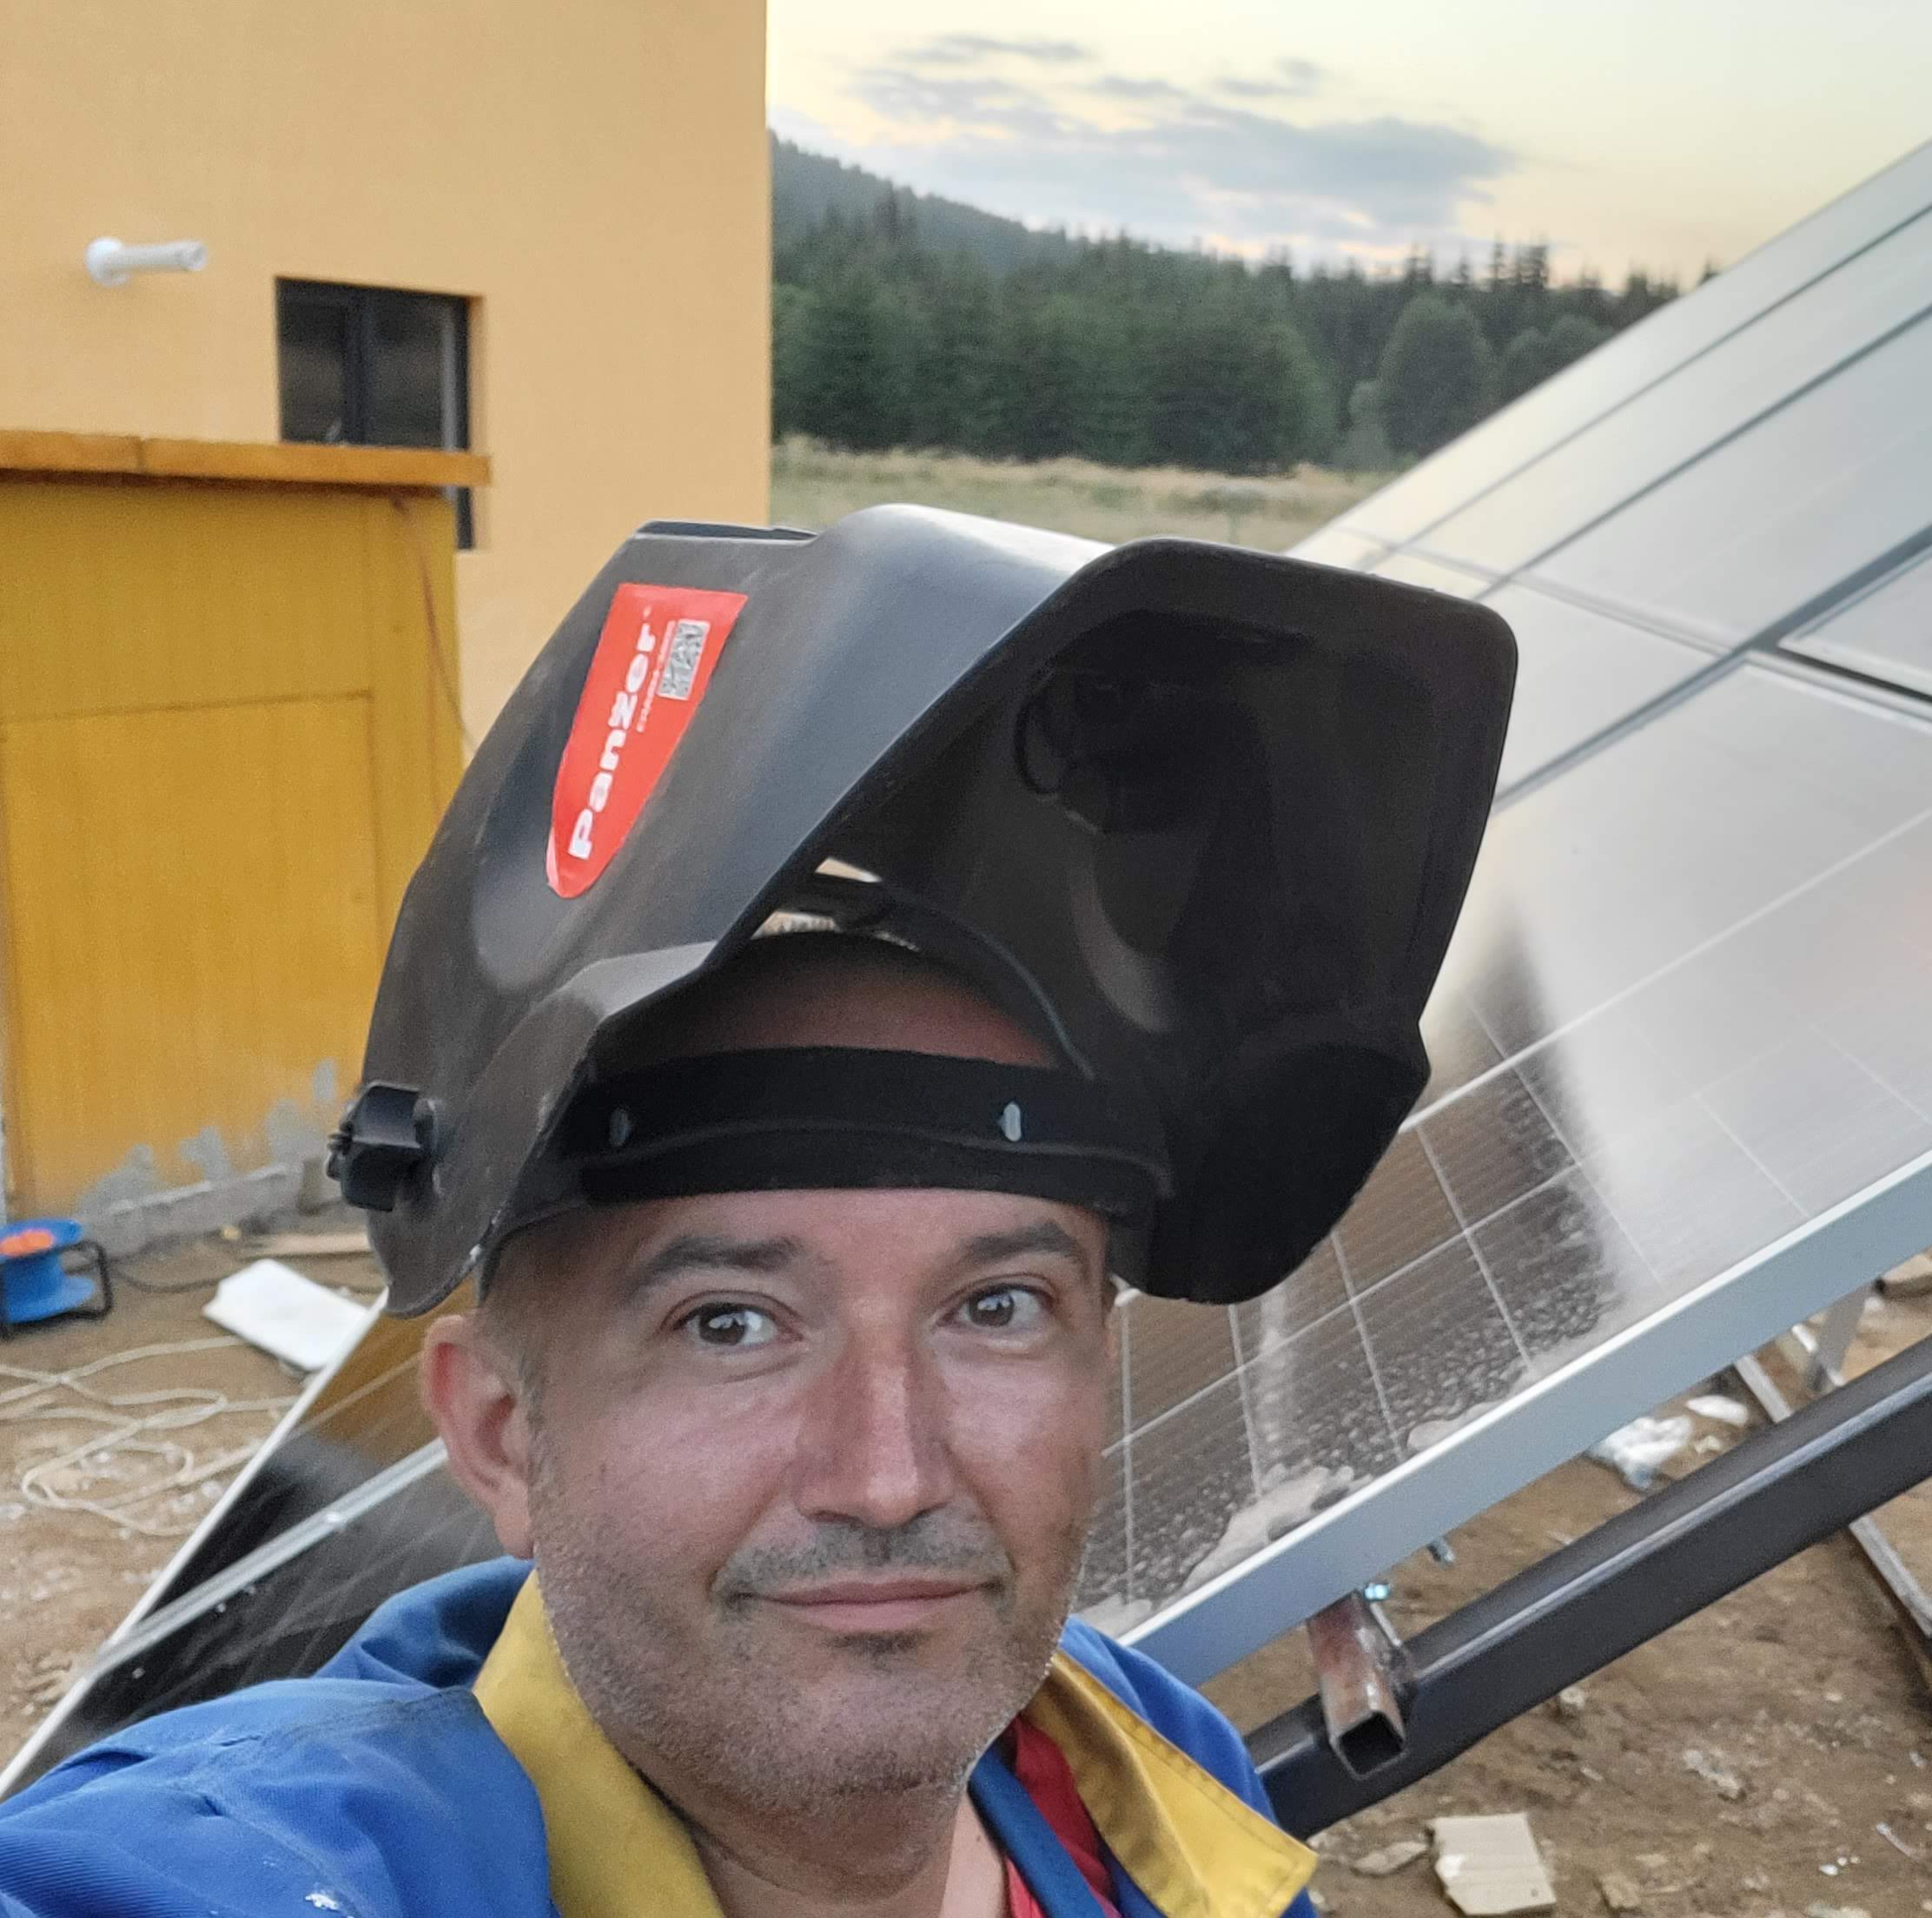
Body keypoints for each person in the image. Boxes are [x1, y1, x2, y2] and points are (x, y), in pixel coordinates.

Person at [0, 508, 1512, 1918]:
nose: (888, 1476)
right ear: (502, 1434)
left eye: (997, 1307)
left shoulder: (1150, 1780)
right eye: (730, 1322)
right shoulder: (264, 1870)